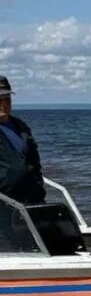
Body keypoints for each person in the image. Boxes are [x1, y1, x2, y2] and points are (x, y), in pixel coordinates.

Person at [0, 76, 47, 206]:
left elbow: (35, 162)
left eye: (7, 99)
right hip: (4, 203)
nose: (4, 104)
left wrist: (39, 189)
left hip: (31, 200)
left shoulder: (21, 127)